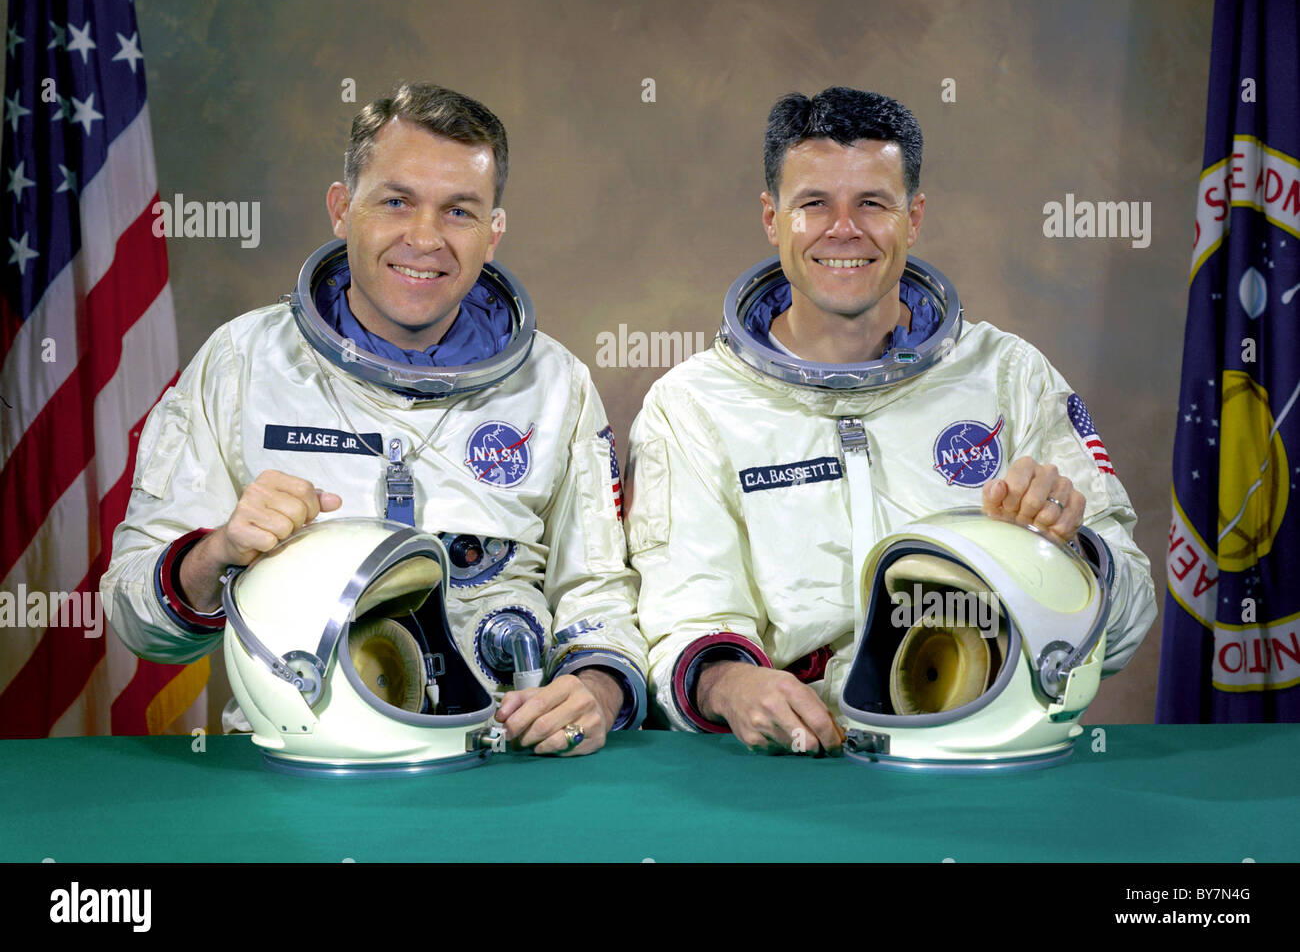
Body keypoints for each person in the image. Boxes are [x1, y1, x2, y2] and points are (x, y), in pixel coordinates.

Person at [103, 82, 647, 755]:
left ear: (493, 233)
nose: (425, 238)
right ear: (342, 208)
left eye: (459, 212)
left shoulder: (555, 386)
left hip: (502, 765)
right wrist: (214, 554)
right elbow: (135, 617)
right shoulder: (241, 364)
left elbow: (600, 597)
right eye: (396, 201)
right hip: (303, 764)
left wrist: (596, 687)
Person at [625, 87, 1156, 754]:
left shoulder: (1009, 377)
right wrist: (727, 683)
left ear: (915, 216)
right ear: (771, 217)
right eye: (813, 203)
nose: (843, 229)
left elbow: (1130, 619)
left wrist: (1070, 548)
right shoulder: (694, 406)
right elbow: (684, 622)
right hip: (795, 771)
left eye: (872, 203)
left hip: (987, 753)